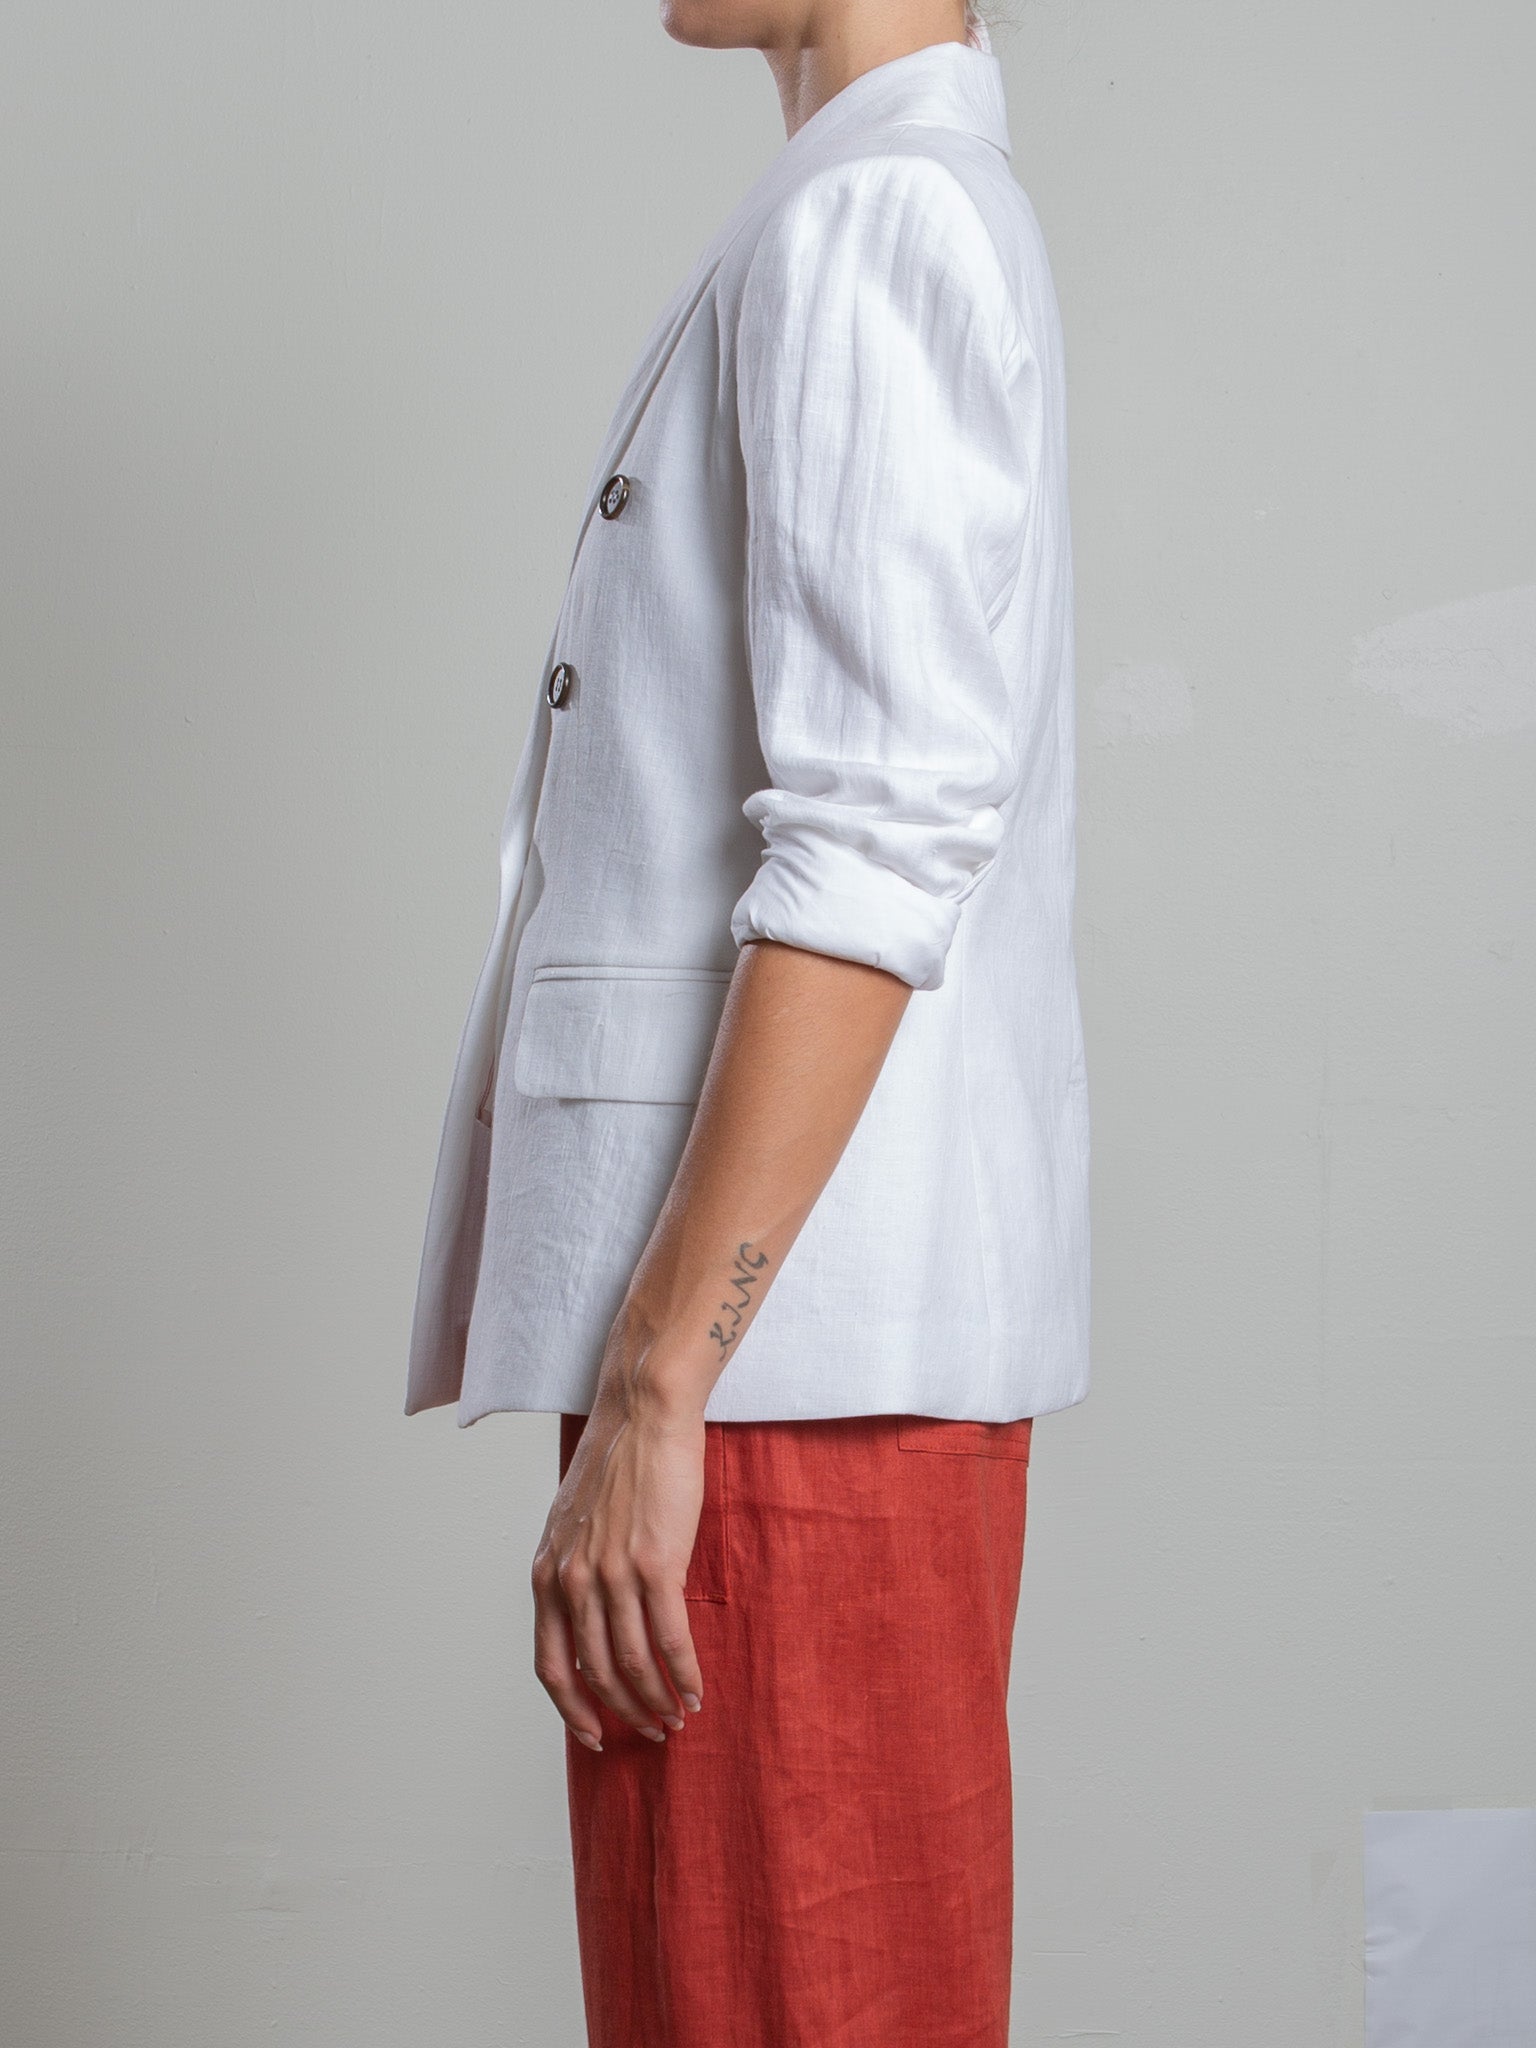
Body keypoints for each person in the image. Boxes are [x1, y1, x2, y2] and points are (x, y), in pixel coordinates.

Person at [405, 1, 1089, 2040]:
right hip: (771, 1363)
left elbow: (877, 844)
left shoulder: (877, 217)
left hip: (771, 1381)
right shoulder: (870, 199)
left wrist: (658, 1382)